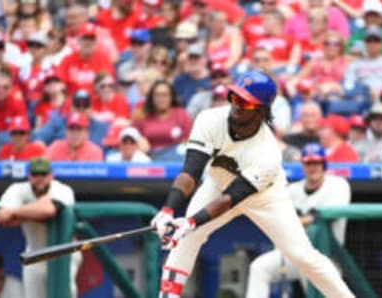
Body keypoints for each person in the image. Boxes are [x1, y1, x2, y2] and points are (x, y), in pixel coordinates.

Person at [150, 70, 354, 298]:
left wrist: (191, 221)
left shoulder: (268, 153)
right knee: (186, 238)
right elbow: (190, 172)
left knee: (301, 255)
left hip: (264, 197)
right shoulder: (209, 119)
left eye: (245, 103)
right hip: (216, 183)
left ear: (262, 110)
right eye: (235, 98)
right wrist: (168, 210)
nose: (236, 106)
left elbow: (231, 199)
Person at [246, 143, 351, 298]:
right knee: (259, 267)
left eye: (316, 162)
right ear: (302, 165)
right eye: (308, 163)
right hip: (296, 255)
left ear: (324, 164)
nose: (312, 167)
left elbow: (321, 218)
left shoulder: (338, 185)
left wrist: (294, 222)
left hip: (326, 258)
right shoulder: (292, 190)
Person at [0, 157, 82, 298]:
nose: (40, 178)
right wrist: (34, 212)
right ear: (29, 176)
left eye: (44, 174)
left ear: (51, 175)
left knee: (64, 295)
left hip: (64, 252)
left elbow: (48, 210)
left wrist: (15, 212)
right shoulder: (18, 189)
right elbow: (1, 217)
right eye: (35, 174)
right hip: (35, 252)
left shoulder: (62, 189)